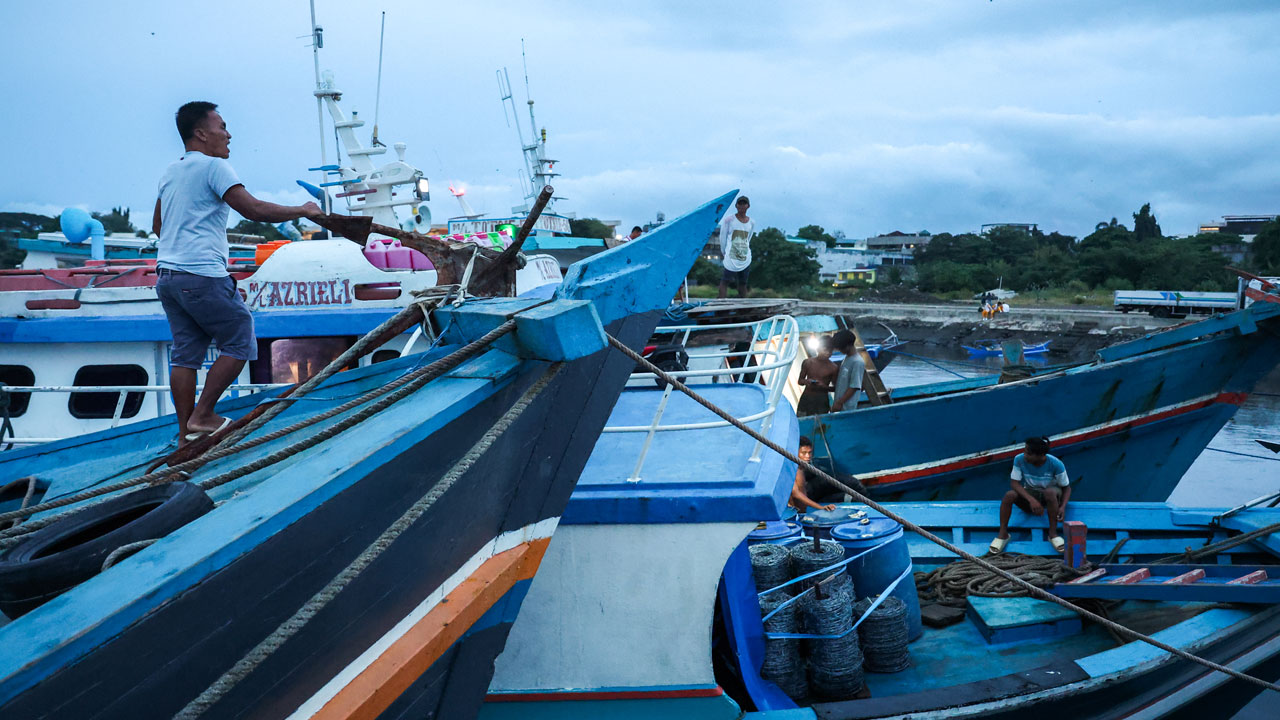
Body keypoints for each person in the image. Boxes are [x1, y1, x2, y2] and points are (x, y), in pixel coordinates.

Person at [153, 101, 321, 443]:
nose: (228, 134)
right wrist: (303, 210)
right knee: (240, 337)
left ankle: (186, 433)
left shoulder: (171, 171)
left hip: (167, 275)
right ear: (201, 133)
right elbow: (254, 209)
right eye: (222, 127)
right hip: (200, 273)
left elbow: (159, 226)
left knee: (186, 354)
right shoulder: (215, 167)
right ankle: (204, 415)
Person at [990, 436, 1072, 553]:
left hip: (1050, 494)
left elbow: (1066, 488)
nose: (1024, 455)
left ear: (1040, 455)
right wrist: (1031, 500)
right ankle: (1003, 534)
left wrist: (1063, 507)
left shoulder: (1056, 464)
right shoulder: (1019, 459)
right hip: (1031, 492)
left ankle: (1053, 534)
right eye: (1025, 451)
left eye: (1028, 453)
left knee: (1050, 492)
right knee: (1009, 495)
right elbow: (1014, 483)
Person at [718, 195, 754, 299]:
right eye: (740, 204)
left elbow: (748, 238)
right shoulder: (729, 220)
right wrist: (724, 252)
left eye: (744, 204)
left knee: (743, 283)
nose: (742, 206)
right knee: (725, 280)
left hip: (744, 256)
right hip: (731, 255)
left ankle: (744, 309)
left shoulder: (751, 222)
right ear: (736, 205)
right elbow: (723, 237)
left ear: (748, 206)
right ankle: (721, 304)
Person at [790, 437, 837, 512]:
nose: (808, 456)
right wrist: (821, 507)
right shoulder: (792, 469)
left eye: (809, 452)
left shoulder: (802, 468)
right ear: (795, 452)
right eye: (804, 453)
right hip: (796, 515)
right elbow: (796, 494)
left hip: (804, 512)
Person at [796, 336, 837, 416]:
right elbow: (800, 381)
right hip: (806, 398)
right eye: (825, 350)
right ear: (818, 348)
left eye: (830, 351)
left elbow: (835, 388)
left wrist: (823, 386)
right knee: (801, 421)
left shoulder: (833, 368)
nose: (828, 353)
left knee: (821, 425)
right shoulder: (808, 363)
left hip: (821, 400)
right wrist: (807, 381)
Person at [829, 329, 865, 412]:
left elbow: (854, 386)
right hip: (840, 402)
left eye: (841, 348)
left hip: (847, 406)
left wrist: (839, 402)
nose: (840, 351)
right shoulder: (847, 358)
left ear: (848, 346)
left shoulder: (857, 362)